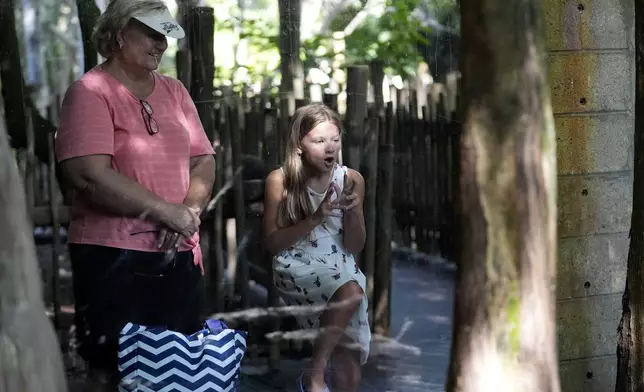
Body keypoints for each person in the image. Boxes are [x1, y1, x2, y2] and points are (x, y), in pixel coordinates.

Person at [54, 0, 216, 389]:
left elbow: (203, 159)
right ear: (118, 32)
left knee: (179, 364)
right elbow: (88, 175)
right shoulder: (90, 91)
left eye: (165, 36)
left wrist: (189, 210)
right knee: (111, 368)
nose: (160, 44)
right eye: (151, 33)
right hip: (112, 255)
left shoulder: (175, 91)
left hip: (177, 249)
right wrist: (166, 212)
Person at [263, 104, 371, 392]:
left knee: (348, 362)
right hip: (297, 263)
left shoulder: (351, 180)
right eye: (319, 141)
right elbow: (272, 244)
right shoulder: (280, 180)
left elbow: (354, 245)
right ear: (299, 144)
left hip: (341, 263)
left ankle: (316, 376)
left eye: (335, 140)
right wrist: (315, 218)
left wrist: (355, 212)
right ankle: (315, 371)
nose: (329, 148)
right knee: (351, 291)